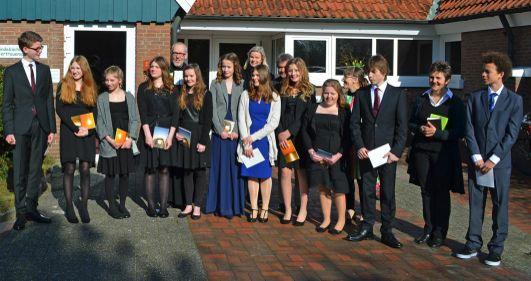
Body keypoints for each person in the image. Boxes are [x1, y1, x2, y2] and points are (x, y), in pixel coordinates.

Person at [456, 52, 523, 266]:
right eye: (483, 70)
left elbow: (511, 134)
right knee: (476, 203)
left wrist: (493, 159)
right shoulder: (475, 98)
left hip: (500, 164)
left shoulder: (515, 100)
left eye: (488, 71)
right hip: (477, 161)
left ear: (501, 74)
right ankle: (473, 243)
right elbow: (469, 128)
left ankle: (496, 249)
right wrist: (476, 156)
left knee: (500, 205)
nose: (483, 74)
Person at [347, 54, 408, 249]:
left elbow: (402, 127)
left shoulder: (397, 95)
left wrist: (396, 151)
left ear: (383, 72)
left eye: (373, 71)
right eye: (369, 71)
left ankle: (387, 230)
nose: (369, 75)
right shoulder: (362, 94)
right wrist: (359, 146)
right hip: (367, 151)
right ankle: (367, 227)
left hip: (387, 154)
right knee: (366, 190)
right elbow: (354, 123)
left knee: (388, 193)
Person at [407, 61, 465, 248]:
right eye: (432, 77)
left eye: (438, 78)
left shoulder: (454, 103)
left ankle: (440, 233)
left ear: (447, 80)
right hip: (422, 153)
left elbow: (460, 130)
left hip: (443, 155)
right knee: (426, 191)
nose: (434, 81)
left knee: (441, 192)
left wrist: (438, 133)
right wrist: (420, 128)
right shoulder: (421, 99)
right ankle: (428, 228)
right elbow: (411, 123)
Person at [3, 31, 56, 230]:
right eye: (37, 48)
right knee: (20, 171)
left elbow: (48, 101)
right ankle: (20, 214)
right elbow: (7, 104)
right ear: (25, 49)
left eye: (40, 47)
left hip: (40, 127)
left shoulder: (44, 70)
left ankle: (32, 208)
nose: (40, 50)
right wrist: (9, 130)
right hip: (19, 128)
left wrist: (51, 128)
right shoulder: (12, 72)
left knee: (35, 170)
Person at [302, 79, 350, 234]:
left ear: (338, 94)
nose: (329, 96)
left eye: (333, 93)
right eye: (326, 93)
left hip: (337, 157)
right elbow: (305, 131)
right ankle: (326, 219)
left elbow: (348, 136)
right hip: (318, 156)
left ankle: (341, 220)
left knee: (338, 189)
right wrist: (311, 152)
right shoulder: (313, 108)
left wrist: (339, 155)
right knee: (323, 187)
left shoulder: (344, 110)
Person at [55, 55, 98, 224]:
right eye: (72, 68)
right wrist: (75, 128)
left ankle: (84, 207)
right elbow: (59, 109)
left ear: (84, 69)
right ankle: (70, 207)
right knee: (70, 169)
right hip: (69, 132)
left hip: (87, 131)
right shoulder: (64, 85)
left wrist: (88, 130)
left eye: (78, 68)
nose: (74, 71)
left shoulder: (91, 86)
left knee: (86, 169)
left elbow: (95, 111)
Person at [237, 65, 281, 223]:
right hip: (248, 141)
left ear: (264, 77)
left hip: (264, 141)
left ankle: (265, 208)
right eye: (253, 75)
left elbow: (273, 124)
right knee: (252, 175)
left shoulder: (275, 97)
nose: (254, 78)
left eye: (257, 75)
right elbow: (241, 119)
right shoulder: (245, 95)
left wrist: (253, 138)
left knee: (265, 176)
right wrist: (246, 142)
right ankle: (254, 208)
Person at [137, 56, 179, 218]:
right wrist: (147, 135)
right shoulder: (143, 88)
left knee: (164, 168)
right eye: (151, 67)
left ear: (163, 69)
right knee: (150, 168)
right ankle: (151, 205)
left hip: (165, 131)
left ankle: (163, 206)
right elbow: (142, 112)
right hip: (150, 130)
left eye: (156, 66)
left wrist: (170, 137)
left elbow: (175, 114)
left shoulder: (172, 89)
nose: (153, 69)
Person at [97, 66, 140, 219]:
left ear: (119, 80)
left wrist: (131, 138)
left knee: (124, 174)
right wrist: (109, 140)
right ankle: (112, 207)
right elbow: (100, 122)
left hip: (125, 142)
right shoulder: (102, 98)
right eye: (106, 80)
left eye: (112, 80)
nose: (108, 83)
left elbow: (135, 119)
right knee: (110, 175)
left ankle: (122, 204)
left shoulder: (129, 97)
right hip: (110, 143)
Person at [205, 53, 245, 218]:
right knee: (219, 169)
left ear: (235, 66)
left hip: (236, 134)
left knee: (235, 169)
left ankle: (235, 207)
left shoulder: (242, 84)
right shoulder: (215, 84)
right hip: (219, 133)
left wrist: (239, 132)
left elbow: (244, 109)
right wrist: (219, 129)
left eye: (229, 66)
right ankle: (220, 206)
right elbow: (212, 109)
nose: (226, 69)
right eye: (223, 66)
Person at [276, 58, 313, 226]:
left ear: (302, 71)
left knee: (300, 173)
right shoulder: (282, 89)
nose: (293, 73)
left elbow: (306, 118)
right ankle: (288, 209)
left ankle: (303, 209)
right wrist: (281, 134)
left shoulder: (308, 91)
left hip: (300, 138)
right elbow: (276, 114)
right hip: (285, 139)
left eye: (296, 70)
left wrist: (289, 132)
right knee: (285, 171)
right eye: (290, 70)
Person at [175, 64, 213, 220]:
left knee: (200, 172)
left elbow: (207, 119)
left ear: (197, 76)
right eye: (186, 76)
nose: (188, 79)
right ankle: (188, 204)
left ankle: (197, 205)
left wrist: (203, 141)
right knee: (187, 171)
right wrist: (177, 131)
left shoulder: (206, 93)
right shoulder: (181, 93)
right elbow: (178, 116)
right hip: (184, 134)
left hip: (199, 135)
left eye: (191, 76)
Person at [342, 67, 368, 223]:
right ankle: (349, 209)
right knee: (347, 177)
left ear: (355, 80)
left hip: (361, 144)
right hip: (347, 144)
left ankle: (365, 211)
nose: (343, 83)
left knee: (363, 179)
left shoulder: (365, 96)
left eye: (346, 80)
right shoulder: (345, 97)